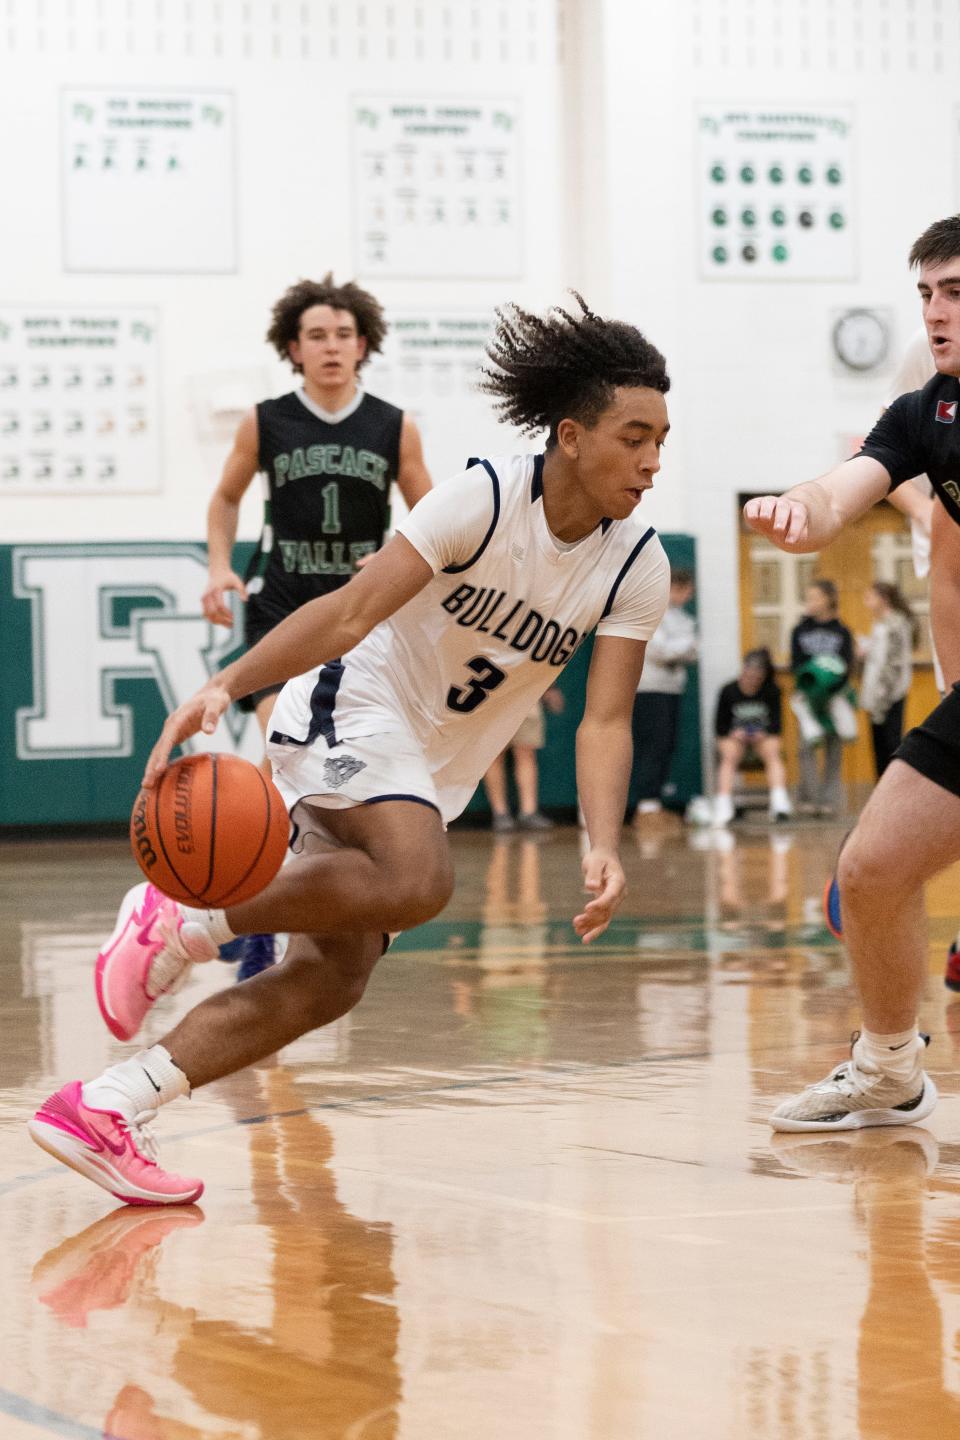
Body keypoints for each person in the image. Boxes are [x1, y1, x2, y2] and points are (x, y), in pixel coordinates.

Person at [28, 294, 673, 1204]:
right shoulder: (482, 499)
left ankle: (107, 1105)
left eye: (662, 439)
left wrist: (602, 840)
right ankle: (180, 920)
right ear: (571, 435)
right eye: (634, 435)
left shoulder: (636, 563)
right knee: (420, 878)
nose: (652, 461)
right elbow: (348, 611)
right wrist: (225, 685)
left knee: (333, 979)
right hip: (352, 704)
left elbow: (606, 721)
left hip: (431, 765)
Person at [743, 212, 960, 1132]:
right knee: (870, 871)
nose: (936, 314)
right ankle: (888, 1072)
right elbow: (847, 487)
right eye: (926, 294)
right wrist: (800, 508)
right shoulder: (926, 413)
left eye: (954, 292)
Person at [203, 275, 432, 979]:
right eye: (316, 337)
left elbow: (435, 520)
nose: (331, 347)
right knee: (285, 749)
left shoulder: (394, 425)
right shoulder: (266, 420)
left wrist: (399, 553)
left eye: (342, 335)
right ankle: (251, 912)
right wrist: (218, 567)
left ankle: (269, 900)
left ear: (363, 344)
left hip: (362, 618)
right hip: (281, 607)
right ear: (293, 349)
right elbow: (225, 497)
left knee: (309, 773)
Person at [628, 567, 697, 819]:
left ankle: (654, 800)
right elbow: (659, 650)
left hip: (671, 689)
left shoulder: (684, 618)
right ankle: (646, 803)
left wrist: (681, 646)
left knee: (666, 744)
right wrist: (682, 646)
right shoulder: (651, 611)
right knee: (651, 745)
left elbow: (692, 649)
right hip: (649, 688)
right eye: (683, 590)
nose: (687, 596)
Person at [789, 579, 855, 817]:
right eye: (808, 598)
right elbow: (795, 663)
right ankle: (809, 799)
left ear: (828, 599)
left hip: (834, 696)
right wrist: (809, 686)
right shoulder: (800, 630)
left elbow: (848, 665)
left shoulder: (842, 631)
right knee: (806, 747)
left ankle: (830, 801)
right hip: (808, 697)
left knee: (833, 747)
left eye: (815, 597)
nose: (811, 603)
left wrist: (831, 688)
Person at [712, 648, 792, 825]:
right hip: (735, 737)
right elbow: (719, 726)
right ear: (743, 670)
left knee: (772, 751)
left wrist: (761, 733)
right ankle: (723, 803)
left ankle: (779, 802)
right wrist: (735, 733)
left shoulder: (772, 691)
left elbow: (776, 725)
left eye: (758, 676)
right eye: (750, 674)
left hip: (761, 737)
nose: (753, 679)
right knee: (729, 754)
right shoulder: (728, 690)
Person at [857, 582, 917, 779]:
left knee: (890, 746)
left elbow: (894, 663)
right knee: (879, 749)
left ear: (883, 599)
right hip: (877, 696)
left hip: (889, 696)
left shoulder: (896, 624)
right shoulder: (879, 624)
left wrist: (882, 698)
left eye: (871, 597)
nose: (867, 602)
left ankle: (891, 793)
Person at [482, 690, 564, 833]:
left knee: (527, 751)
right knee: (494, 754)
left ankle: (529, 812)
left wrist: (549, 688)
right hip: (492, 696)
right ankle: (500, 814)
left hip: (527, 695)